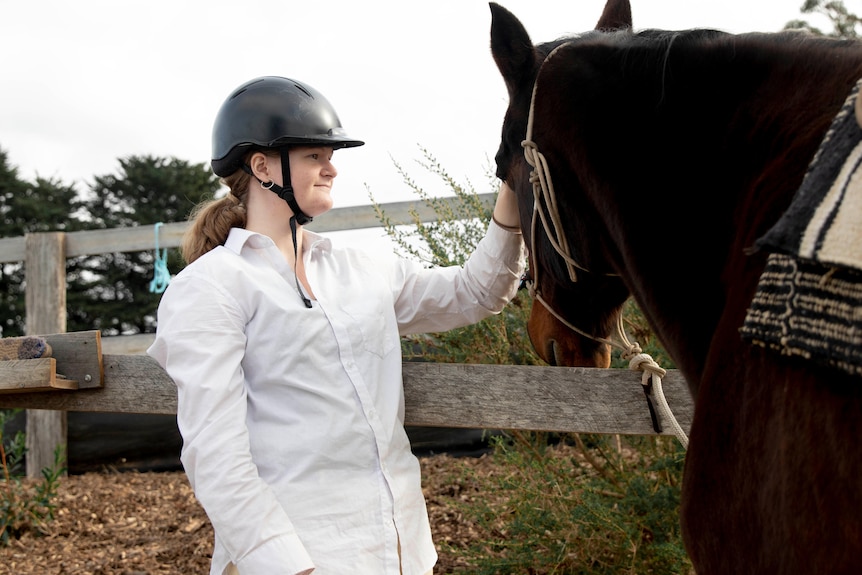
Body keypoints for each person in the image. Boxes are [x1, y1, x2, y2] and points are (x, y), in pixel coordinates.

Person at [147, 75, 525, 575]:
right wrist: (283, 563)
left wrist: (513, 184)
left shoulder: (362, 268)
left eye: (331, 155)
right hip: (301, 556)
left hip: (401, 549)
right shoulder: (210, 286)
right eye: (314, 156)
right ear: (262, 166)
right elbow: (214, 452)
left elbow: (476, 292)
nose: (332, 167)